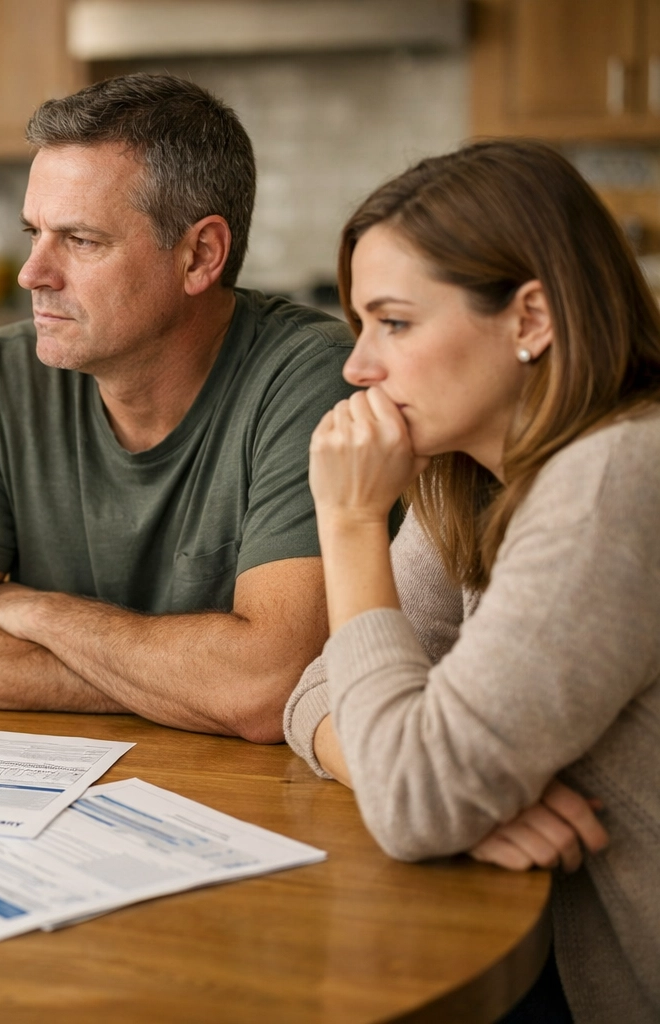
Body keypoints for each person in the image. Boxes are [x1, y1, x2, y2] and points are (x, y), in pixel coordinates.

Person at [284, 140, 660, 1021]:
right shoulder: (473, 476)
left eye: (396, 322)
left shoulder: (612, 481)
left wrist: (346, 525)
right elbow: (312, 692)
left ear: (531, 319)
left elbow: (415, 800)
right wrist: (409, 777)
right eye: (360, 324)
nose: (358, 367)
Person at [0, 73, 356, 741]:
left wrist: (39, 613)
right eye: (33, 233)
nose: (31, 273)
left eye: (81, 240)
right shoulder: (0, 372)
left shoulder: (308, 375)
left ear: (199, 255)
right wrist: (179, 685)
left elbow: (268, 687)